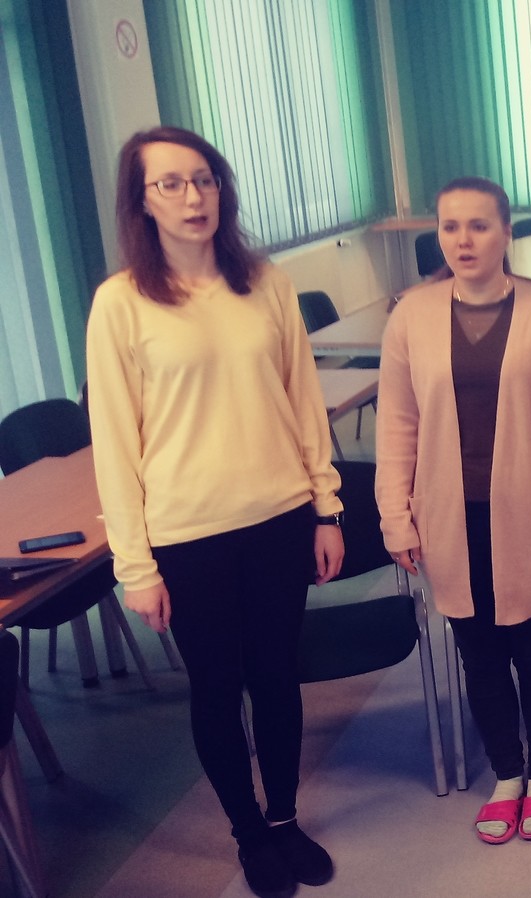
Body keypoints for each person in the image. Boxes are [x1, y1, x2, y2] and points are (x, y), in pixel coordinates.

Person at [86, 126, 344, 897]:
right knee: (216, 687)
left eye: (203, 179)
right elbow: (114, 446)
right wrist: (135, 566)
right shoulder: (120, 303)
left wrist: (326, 507)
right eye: (170, 184)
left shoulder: (265, 283)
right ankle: (248, 835)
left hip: (279, 517)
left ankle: (284, 821)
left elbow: (304, 402)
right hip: (188, 535)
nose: (193, 197)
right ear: (141, 201)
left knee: (277, 677)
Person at [375, 177, 531, 845]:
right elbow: (397, 424)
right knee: (479, 654)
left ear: (506, 232)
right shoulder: (411, 315)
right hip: (448, 515)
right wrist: (394, 515)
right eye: (450, 227)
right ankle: (507, 774)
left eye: (479, 225)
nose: (464, 240)